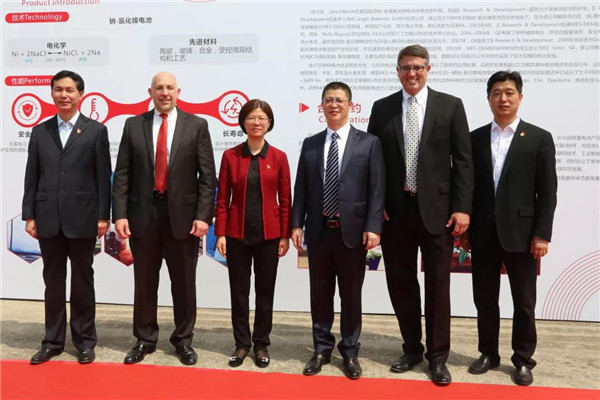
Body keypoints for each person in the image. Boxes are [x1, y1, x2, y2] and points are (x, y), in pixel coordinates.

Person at [367, 44, 473, 385]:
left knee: (438, 288)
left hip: (438, 213)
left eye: (417, 67)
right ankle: (412, 348)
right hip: (395, 213)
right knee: (401, 284)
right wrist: (376, 203)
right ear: (397, 71)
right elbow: (372, 161)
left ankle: (438, 357)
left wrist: (462, 207)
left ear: (428, 69)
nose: (411, 73)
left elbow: (464, 161)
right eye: (405, 68)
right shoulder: (382, 108)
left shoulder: (450, 106)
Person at [112, 72, 216, 365]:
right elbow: (122, 174)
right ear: (150, 92)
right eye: (159, 88)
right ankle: (144, 339)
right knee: (145, 282)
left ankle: (183, 340)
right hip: (143, 215)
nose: (165, 92)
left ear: (178, 92)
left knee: (184, 283)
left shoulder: (196, 125)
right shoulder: (133, 125)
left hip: (183, 217)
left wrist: (203, 216)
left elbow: (207, 176)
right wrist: (119, 214)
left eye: (170, 87)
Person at [467, 71, 557, 386]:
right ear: (488, 98)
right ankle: (488, 353)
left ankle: (522, 359)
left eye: (509, 93)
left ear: (520, 97)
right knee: (485, 299)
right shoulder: (475, 138)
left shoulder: (538, 137)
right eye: (496, 93)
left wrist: (542, 234)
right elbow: (468, 186)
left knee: (524, 301)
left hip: (523, 233)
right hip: (483, 232)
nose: (502, 99)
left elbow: (547, 191)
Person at [292, 82, 385, 380]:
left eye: (339, 100)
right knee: (320, 294)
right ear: (322, 106)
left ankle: (350, 351)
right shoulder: (311, 144)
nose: (334, 105)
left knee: (351, 295)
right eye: (328, 100)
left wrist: (373, 226)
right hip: (319, 231)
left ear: (350, 106)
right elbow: (301, 188)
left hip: (353, 234)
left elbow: (377, 189)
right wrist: (296, 223)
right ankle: (321, 349)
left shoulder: (368, 143)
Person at [22, 70, 111, 365]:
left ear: (80, 95)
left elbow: (103, 178)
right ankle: (52, 342)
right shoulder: (40, 131)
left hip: (83, 219)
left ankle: (85, 341)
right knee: (53, 283)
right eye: (58, 89)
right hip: (47, 217)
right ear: (51, 93)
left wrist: (103, 216)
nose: (64, 95)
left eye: (70, 90)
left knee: (83, 283)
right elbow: (32, 175)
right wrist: (30, 214)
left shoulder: (95, 131)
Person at [215, 99, 291, 369]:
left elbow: (286, 200)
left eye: (261, 118)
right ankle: (242, 343)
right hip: (237, 234)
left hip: (270, 236)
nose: (256, 123)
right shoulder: (231, 156)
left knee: (265, 292)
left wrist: (284, 235)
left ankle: (261, 343)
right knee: (239, 291)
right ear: (243, 122)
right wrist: (220, 233)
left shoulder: (279, 157)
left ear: (269, 123)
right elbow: (222, 199)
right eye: (251, 118)